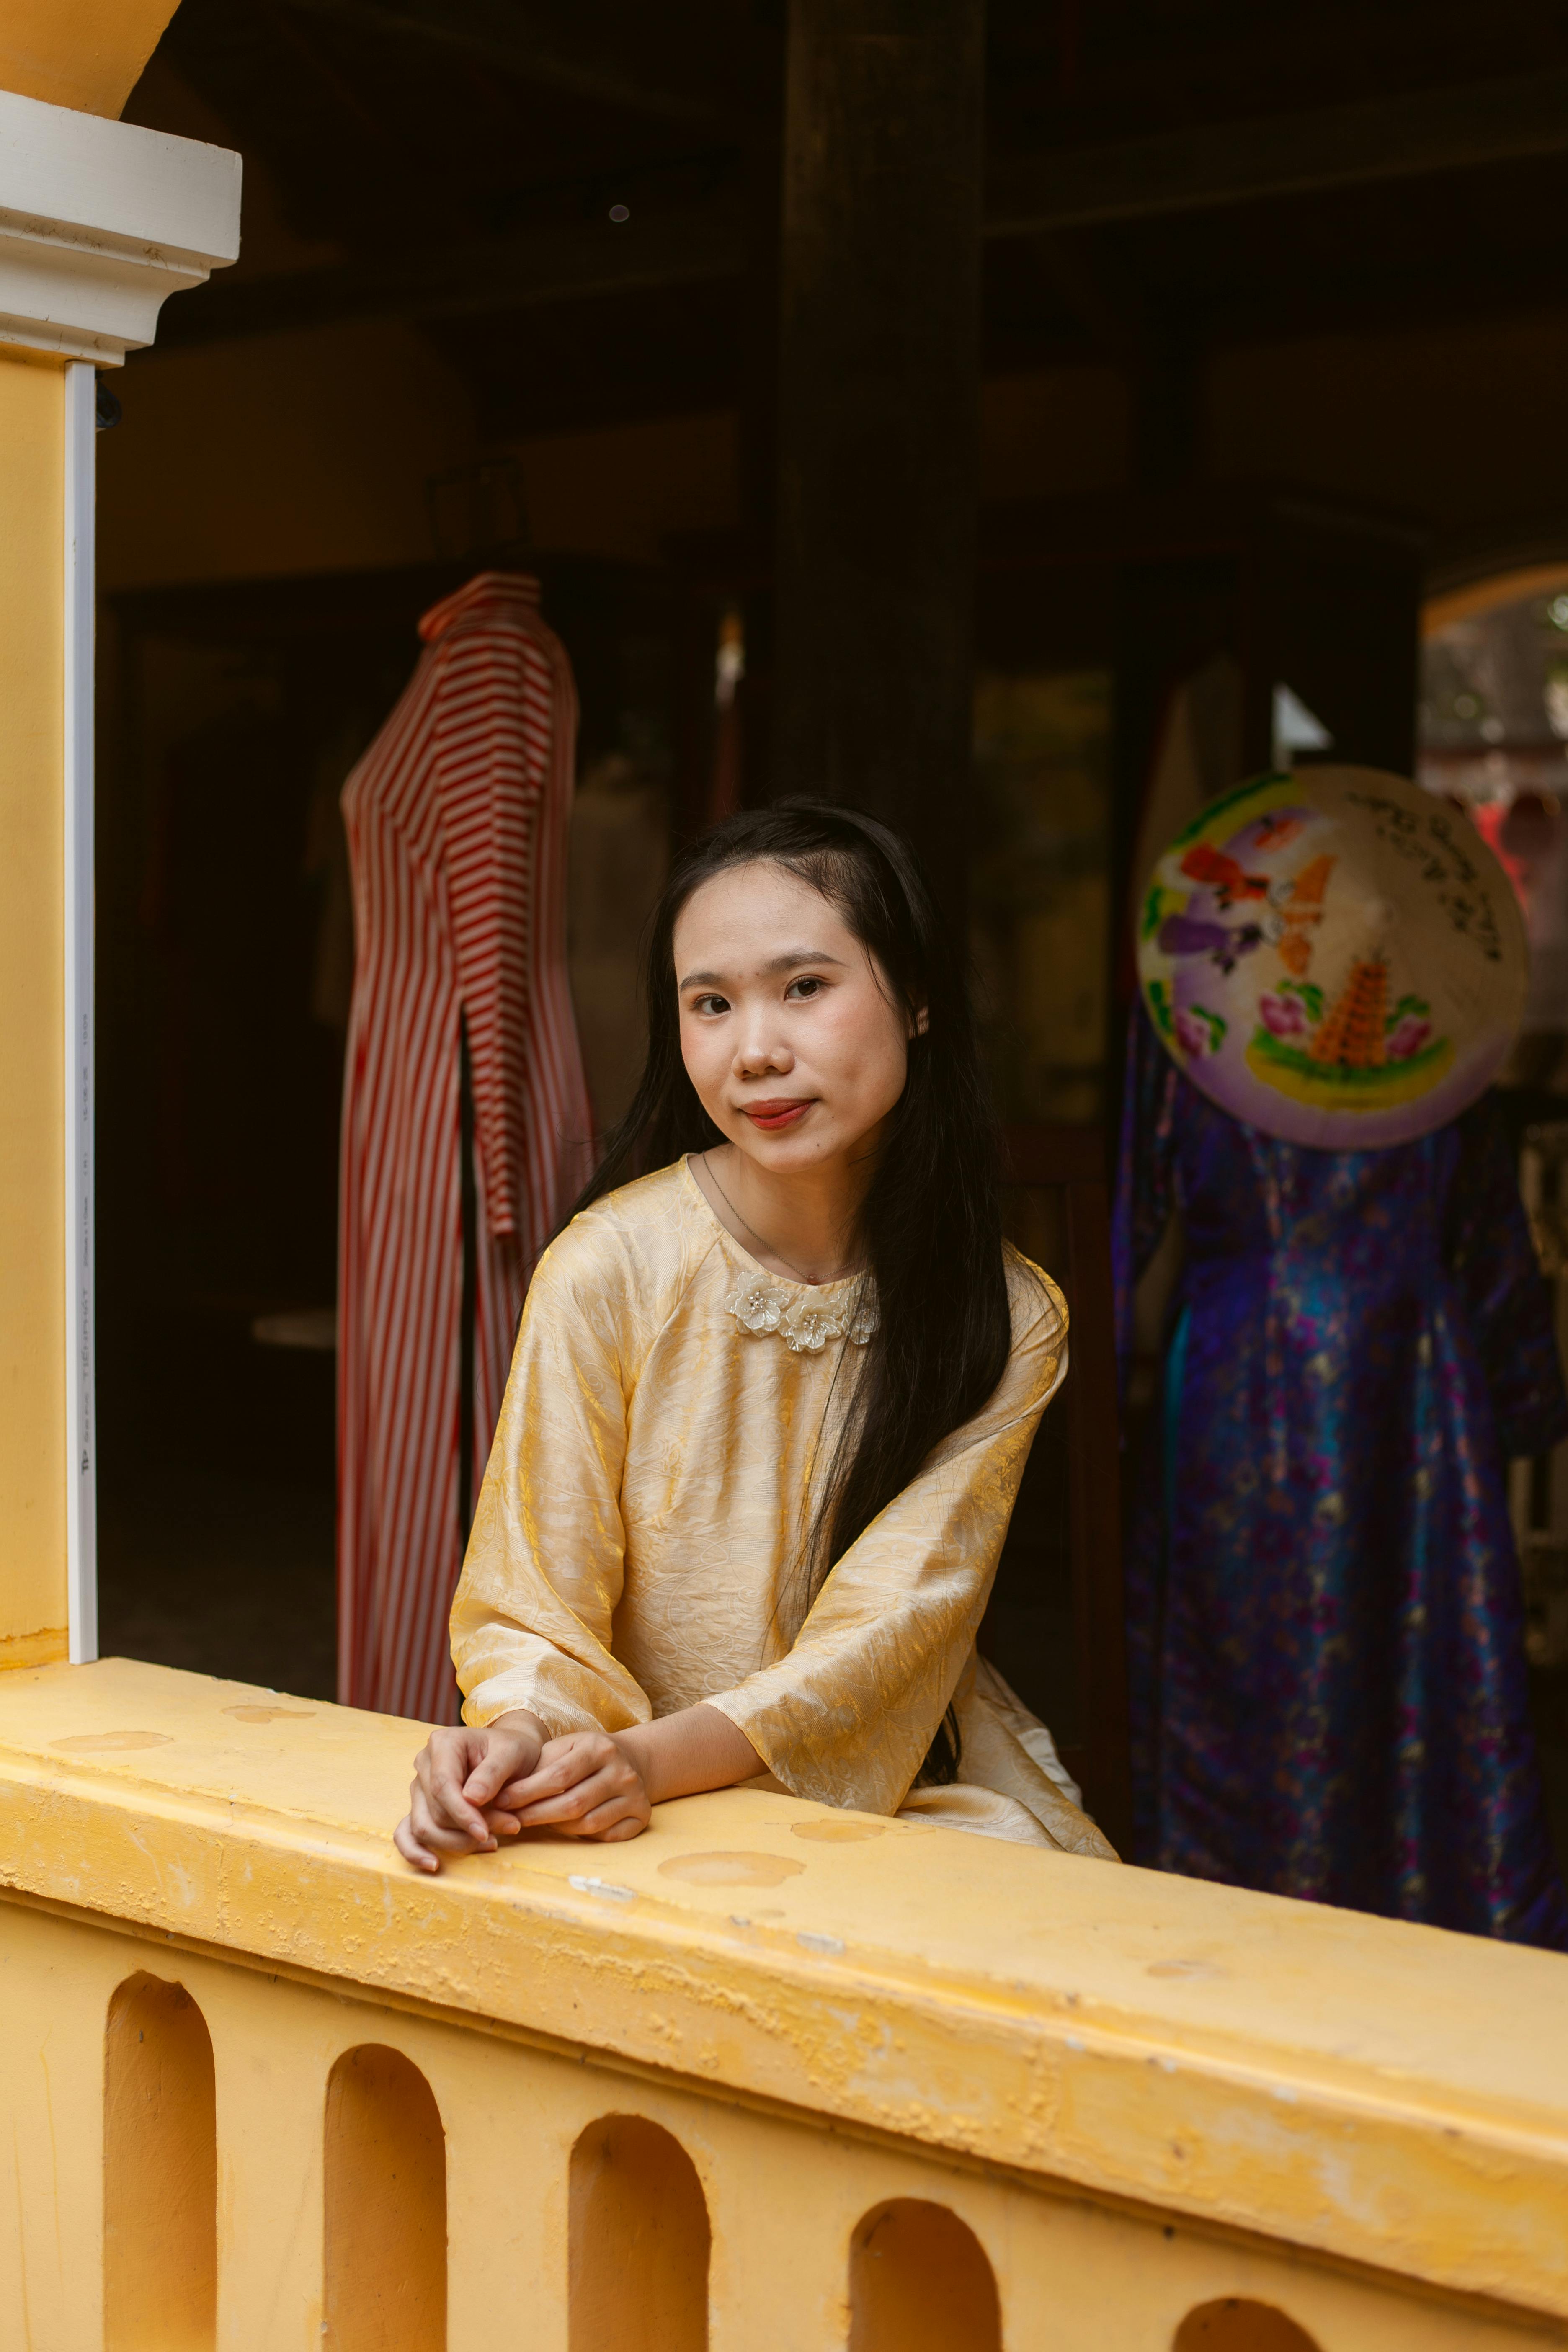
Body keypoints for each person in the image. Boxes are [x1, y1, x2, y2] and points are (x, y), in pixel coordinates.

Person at [395, 803, 1116, 1869]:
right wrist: (515, 1742)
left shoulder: (1009, 1314)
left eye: (806, 988)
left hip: (892, 1773)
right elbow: (533, 1612)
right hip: (615, 1785)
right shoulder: (610, 1268)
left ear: (918, 999)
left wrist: (649, 1764)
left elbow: (889, 1637)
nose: (756, 1051)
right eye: (712, 1004)